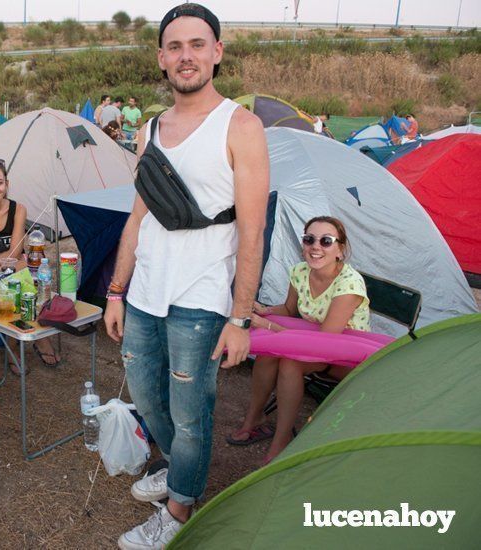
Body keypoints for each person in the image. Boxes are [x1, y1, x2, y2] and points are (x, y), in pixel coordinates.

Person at [103, 5, 269, 548]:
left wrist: (240, 316)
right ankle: (179, 470)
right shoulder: (150, 129)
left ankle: (179, 510)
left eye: (198, 44)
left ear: (217, 52)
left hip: (200, 297)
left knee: (191, 412)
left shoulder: (240, 127)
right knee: (149, 400)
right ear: (161, 58)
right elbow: (137, 217)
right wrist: (115, 291)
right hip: (146, 290)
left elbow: (252, 232)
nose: (186, 56)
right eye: (175, 47)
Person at [228, 216, 369, 463]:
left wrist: (268, 326)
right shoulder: (300, 271)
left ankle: (281, 439)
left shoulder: (349, 284)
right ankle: (255, 417)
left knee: (289, 362)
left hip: (344, 357)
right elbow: (290, 310)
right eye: (309, 239)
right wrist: (265, 310)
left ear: (340, 250)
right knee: (269, 353)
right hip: (313, 343)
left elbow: (325, 342)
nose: (316, 247)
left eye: (326, 241)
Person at [0, 158, 60, 370]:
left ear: (7, 184)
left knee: (23, 274)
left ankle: (25, 338)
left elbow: (15, 254)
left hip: (8, 269)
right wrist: (7, 261)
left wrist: (8, 261)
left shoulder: (19, 209)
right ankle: (17, 345)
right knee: (19, 275)